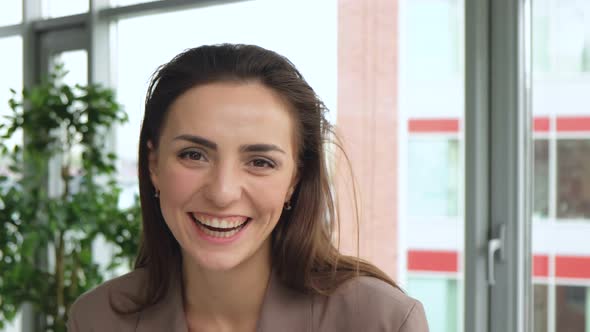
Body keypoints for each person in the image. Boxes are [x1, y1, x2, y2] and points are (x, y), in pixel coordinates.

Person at [67, 44, 429, 332]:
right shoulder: (97, 320)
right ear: (153, 166)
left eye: (260, 162)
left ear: (295, 180)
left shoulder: (382, 322)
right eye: (193, 155)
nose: (223, 192)